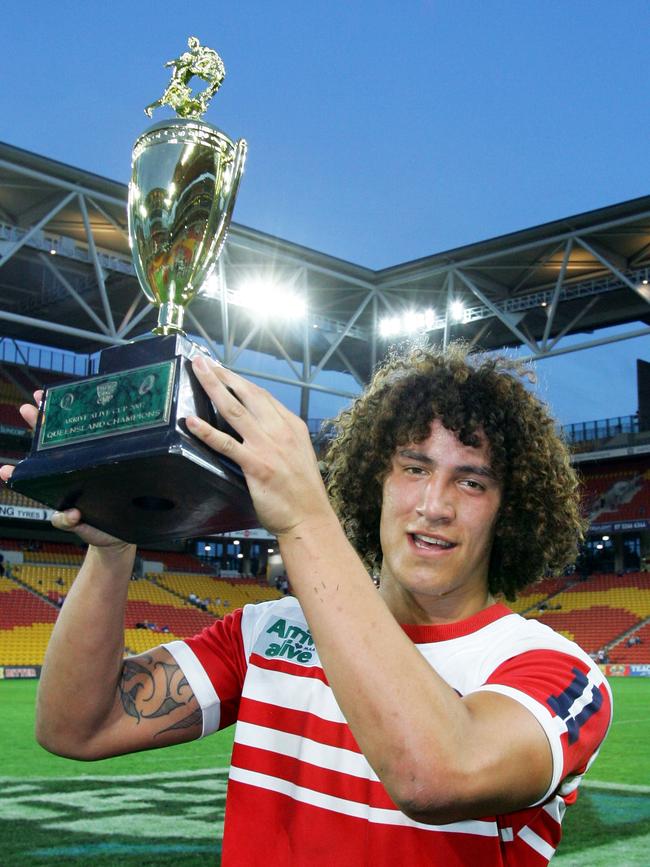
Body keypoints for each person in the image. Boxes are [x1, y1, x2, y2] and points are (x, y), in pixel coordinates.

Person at [0, 344, 612, 865]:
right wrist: (114, 545)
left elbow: (434, 775)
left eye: (471, 481)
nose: (435, 505)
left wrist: (303, 516)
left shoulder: (559, 672)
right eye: (414, 468)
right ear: (376, 478)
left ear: (512, 510)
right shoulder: (267, 632)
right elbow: (74, 727)